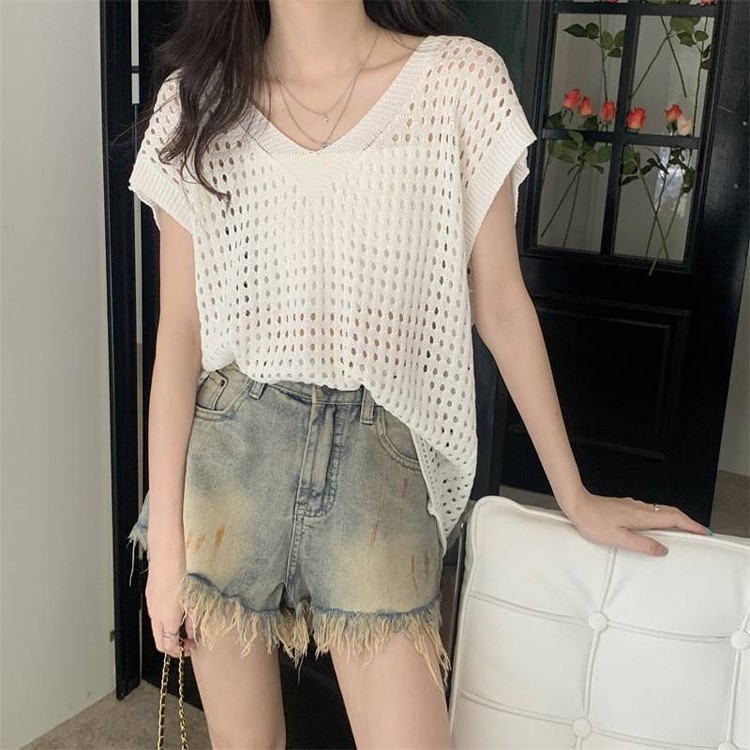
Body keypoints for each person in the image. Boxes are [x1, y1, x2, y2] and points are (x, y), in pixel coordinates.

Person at [125, 2, 711, 747]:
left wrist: (574, 493)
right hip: (230, 458)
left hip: (380, 463)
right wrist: (167, 549)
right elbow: (179, 335)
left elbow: (500, 303)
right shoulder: (196, 100)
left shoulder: (458, 83)